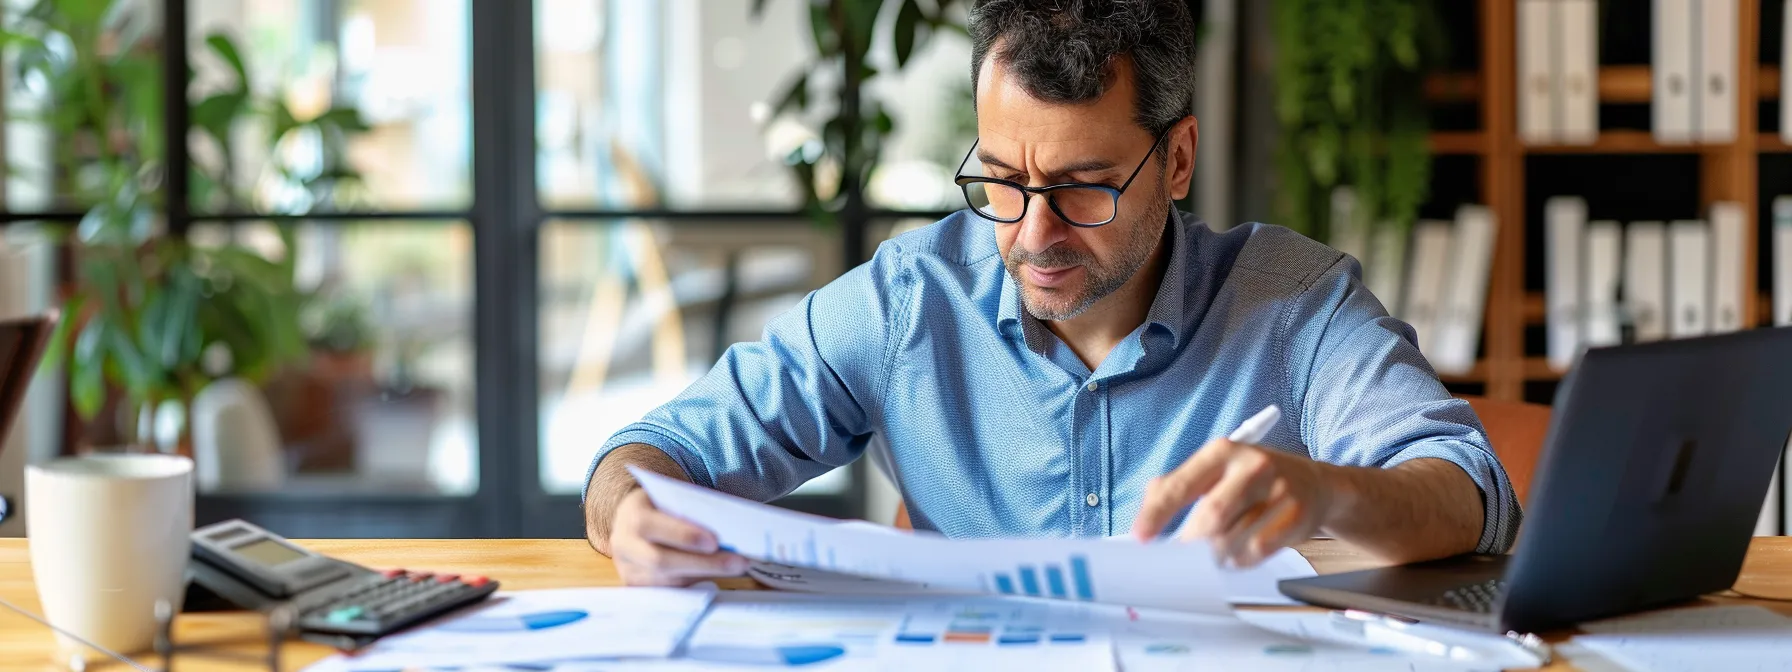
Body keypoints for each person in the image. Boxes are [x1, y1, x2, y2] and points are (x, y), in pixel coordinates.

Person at [583, 0, 1520, 587]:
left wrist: (1325, 494)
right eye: (1000, 178)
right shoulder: (912, 299)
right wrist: (632, 514)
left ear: (1179, 158)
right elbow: (649, 452)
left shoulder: (1296, 304)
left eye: (1083, 185)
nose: (1031, 234)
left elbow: (1469, 490)